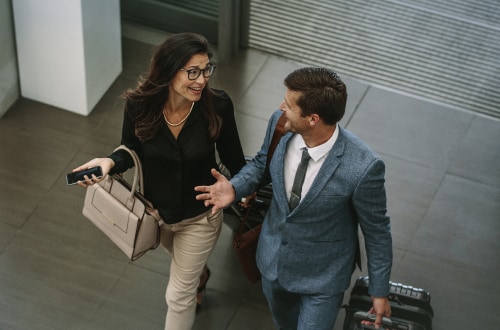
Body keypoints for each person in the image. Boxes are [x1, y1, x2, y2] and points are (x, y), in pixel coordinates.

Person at [195, 67, 393, 329]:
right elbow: (261, 163)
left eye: (289, 105)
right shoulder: (280, 124)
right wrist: (235, 187)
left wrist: (379, 291)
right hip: (273, 262)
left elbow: (377, 231)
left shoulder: (363, 167)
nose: (281, 107)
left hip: (323, 277)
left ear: (313, 119)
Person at [72, 32, 246, 329]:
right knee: (185, 266)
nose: (202, 80)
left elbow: (235, 161)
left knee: (178, 295)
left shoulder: (217, 106)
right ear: (168, 70)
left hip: (201, 217)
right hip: (156, 215)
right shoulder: (139, 105)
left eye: (206, 70)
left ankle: (194, 279)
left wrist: (236, 187)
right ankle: (199, 275)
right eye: (192, 72)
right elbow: (130, 150)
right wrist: (110, 162)